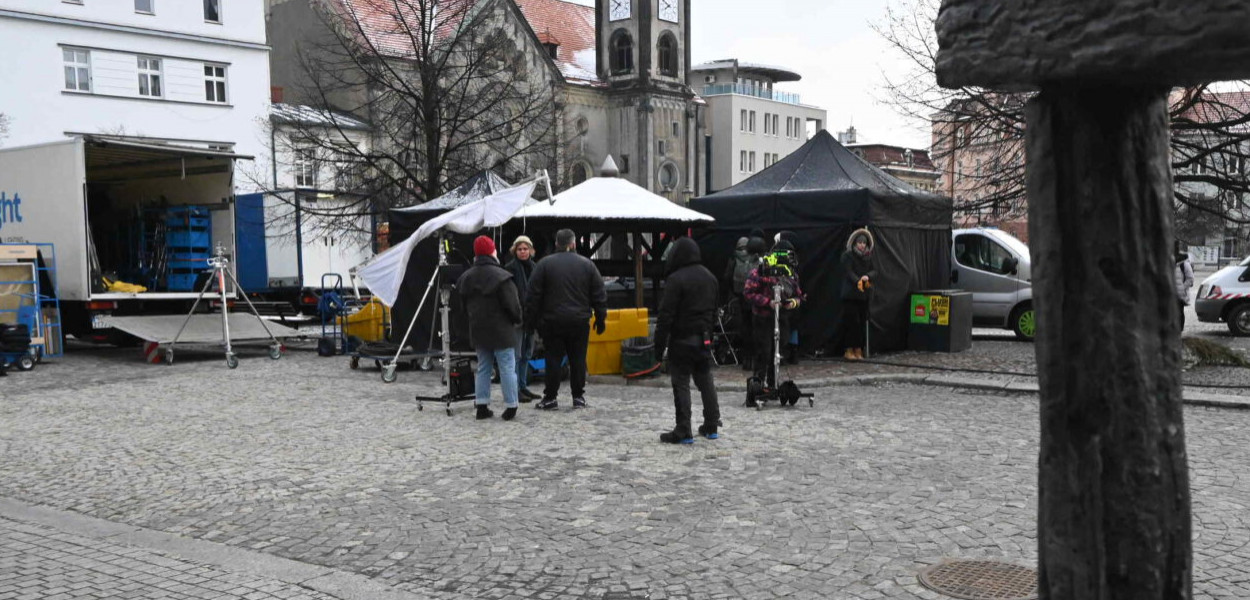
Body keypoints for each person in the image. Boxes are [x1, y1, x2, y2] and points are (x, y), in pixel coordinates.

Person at [525, 229, 607, 410]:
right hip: (579, 320)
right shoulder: (587, 265)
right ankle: (578, 397)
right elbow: (599, 294)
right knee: (578, 359)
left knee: (553, 359)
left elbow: (533, 296)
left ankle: (550, 398)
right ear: (574, 243)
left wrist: (530, 322)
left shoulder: (544, 265)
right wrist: (601, 319)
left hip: (552, 321)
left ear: (556, 244)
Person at [655, 237, 722, 444]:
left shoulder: (676, 279)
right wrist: (708, 335)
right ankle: (711, 424)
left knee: (681, 383)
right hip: (704, 339)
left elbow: (666, 316)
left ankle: (684, 429)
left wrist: (658, 348)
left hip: (681, 340)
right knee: (705, 381)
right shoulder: (710, 277)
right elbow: (714, 312)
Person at [456, 235, 523, 421]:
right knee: (507, 368)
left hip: (478, 329)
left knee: (483, 368)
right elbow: (513, 306)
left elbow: (461, 308)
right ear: (492, 252)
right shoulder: (502, 277)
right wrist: (516, 320)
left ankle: (482, 406)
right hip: (502, 331)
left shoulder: (465, 278)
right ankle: (511, 406)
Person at [743, 240, 804, 403]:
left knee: (778, 350)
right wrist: (767, 302)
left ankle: (772, 383)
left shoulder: (790, 273)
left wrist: (793, 303)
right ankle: (758, 385)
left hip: (781, 317)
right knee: (764, 352)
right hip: (763, 317)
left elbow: (799, 295)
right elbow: (748, 292)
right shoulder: (760, 271)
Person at [504, 235, 540, 401]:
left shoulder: (535, 267)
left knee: (527, 353)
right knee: (517, 355)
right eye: (520, 249)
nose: (523, 252)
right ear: (515, 251)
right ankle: (516, 388)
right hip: (517, 317)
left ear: (531, 250)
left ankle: (524, 386)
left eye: (525, 249)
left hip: (531, 316)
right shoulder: (510, 268)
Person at [839, 228, 876, 361]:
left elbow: (874, 270)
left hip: (863, 295)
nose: (862, 245)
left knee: (861, 323)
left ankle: (859, 349)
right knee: (851, 322)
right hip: (850, 295)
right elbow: (848, 272)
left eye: (864, 243)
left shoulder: (868, 257)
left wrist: (867, 276)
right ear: (855, 243)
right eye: (859, 242)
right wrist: (858, 281)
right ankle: (849, 349)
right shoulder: (847, 256)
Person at [1174, 240, 1194, 331]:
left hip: (1179, 295)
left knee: (1179, 313)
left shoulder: (1184, 263)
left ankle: (1179, 332)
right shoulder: (1165, 261)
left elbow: (1190, 278)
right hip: (1168, 294)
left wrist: (1181, 288)